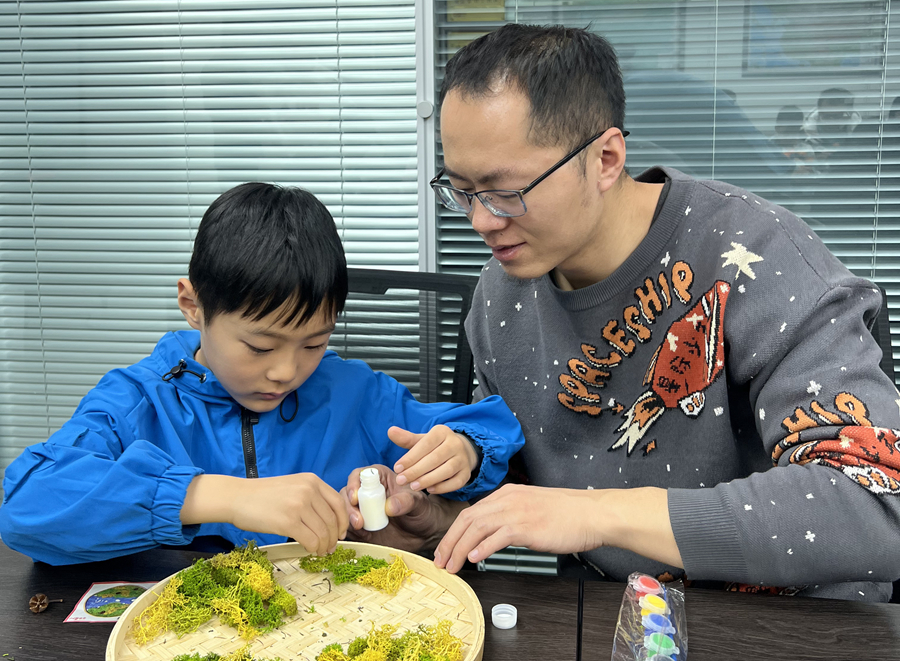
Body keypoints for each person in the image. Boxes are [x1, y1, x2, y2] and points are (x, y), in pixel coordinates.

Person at [344, 24, 900, 602]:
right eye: (461, 190)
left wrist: (595, 514)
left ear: (605, 159)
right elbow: (526, 490)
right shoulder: (501, 297)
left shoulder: (755, 256)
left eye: (506, 191)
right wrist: (436, 521)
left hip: (790, 622)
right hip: (617, 615)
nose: (481, 220)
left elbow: (879, 503)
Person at [0, 182, 525, 566]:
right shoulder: (138, 402)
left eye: (314, 343)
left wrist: (464, 449)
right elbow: (27, 503)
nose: (285, 371)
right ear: (193, 306)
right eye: (259, 346)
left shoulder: (354, 393)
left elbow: (489, 428)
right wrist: (218, 497)